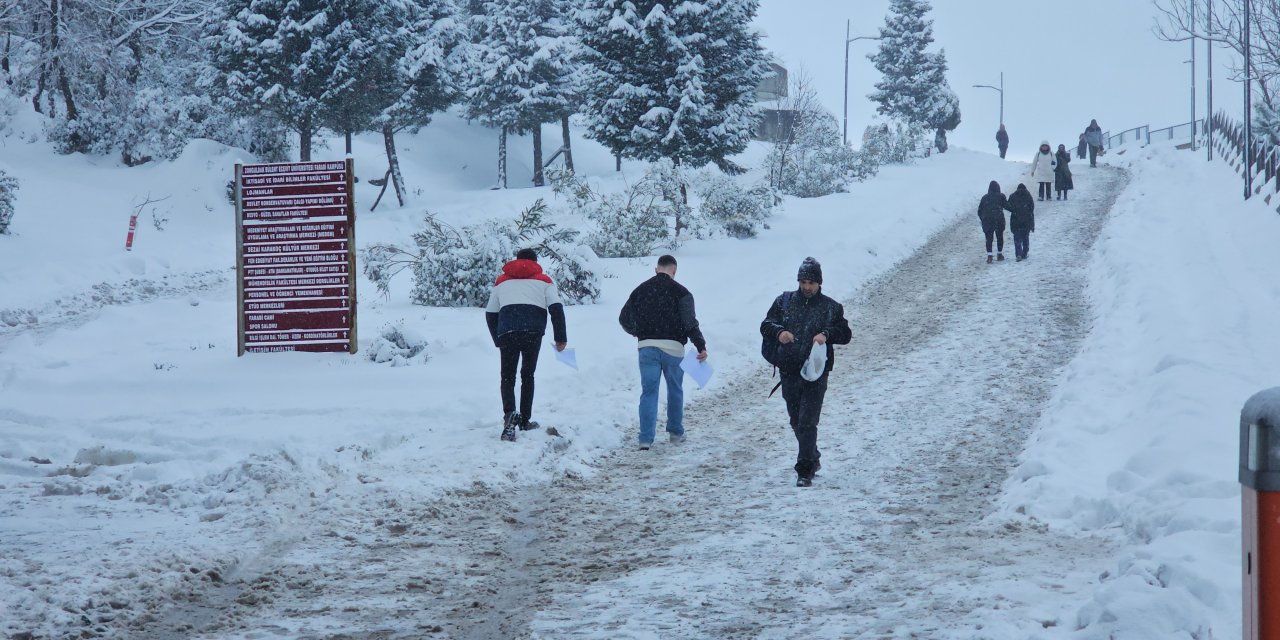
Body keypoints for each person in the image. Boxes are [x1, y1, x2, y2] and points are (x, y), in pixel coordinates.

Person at [759, 258, 852, 487]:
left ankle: (804, 469)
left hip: (816, 374)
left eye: (811, 282)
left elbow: (845, 333)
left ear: (819, 283)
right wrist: (779, 332)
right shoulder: (784, 302)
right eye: (803, 281)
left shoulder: (831, 307)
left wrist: (827, 334)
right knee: (796, 420)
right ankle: (813, 455)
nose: (807, 286)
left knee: (808, 421)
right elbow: (765, 325)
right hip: (789, 370)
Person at [618, 255, 708, 450]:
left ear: (656, 269)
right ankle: (676, 433)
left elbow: (624, 318)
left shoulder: (640, 290)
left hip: (647, 347)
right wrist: (700, 345)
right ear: (674, 272)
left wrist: (640, 332)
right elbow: (690, 323)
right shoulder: (682, 292)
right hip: (674, 349)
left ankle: (645, 439)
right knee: (675, 389)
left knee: (649, 392)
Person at [485, 248, 568, 442]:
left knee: (507, 376)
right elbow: (556, 309)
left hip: (507, 332)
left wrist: (498, 338)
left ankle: (509, 416)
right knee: (527, 375)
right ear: (535, 261)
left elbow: (490, 313)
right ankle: (524, 420)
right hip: (532, 332)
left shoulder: (501, 281)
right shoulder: (545, 281)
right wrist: (560, 337)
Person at [977, 180, 1007, 263]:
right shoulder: (1001, 196)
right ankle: (999, 254)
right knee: (999, 237)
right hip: (999, 219)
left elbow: (979, 211)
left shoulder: (984, 197)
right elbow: (1007, 206)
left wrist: (983, 218)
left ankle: (989, 256)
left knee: (989, 239)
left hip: (988, 220)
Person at [1008, 183, 1035, 261]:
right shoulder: (1028, 196)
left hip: (1016, 220)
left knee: (1017, 238)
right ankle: (1025, 252)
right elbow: (1032, 208)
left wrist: (1015, 211)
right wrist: (1031, 224)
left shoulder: (1013, 196)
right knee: (1025, 237)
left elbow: (1009, 206)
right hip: (1026, 220)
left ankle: (1018, 254)